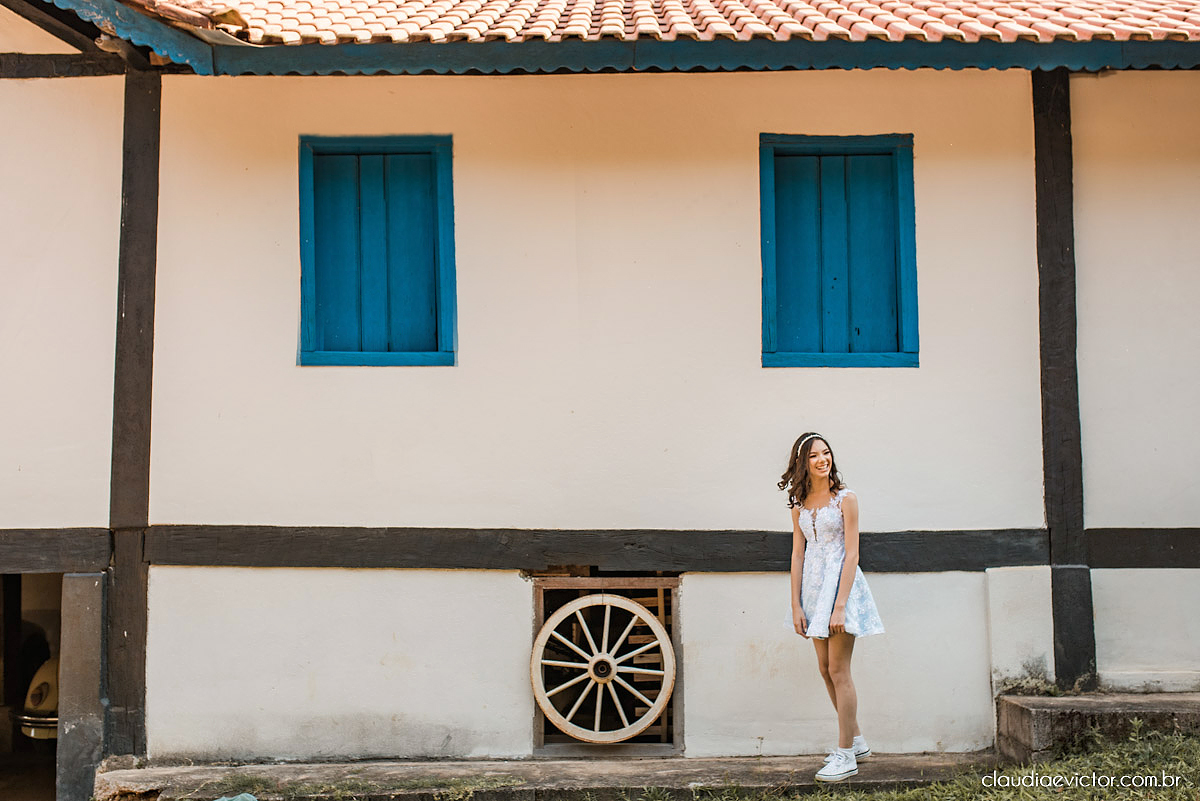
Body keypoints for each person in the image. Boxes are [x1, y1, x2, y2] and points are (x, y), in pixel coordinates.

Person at [779, 432, 884, 783]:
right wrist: (795, 605)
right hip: (812, 590)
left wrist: (840, 606)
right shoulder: (799, 504)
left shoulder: (846, 499)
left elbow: (852, 553)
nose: (822, 459)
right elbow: (797, 554)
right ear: (802, 462)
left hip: (842, 590)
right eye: (814, 455)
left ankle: (845, 755)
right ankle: (856, 742)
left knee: (840, 670)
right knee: (824, 669)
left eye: (826, 453)